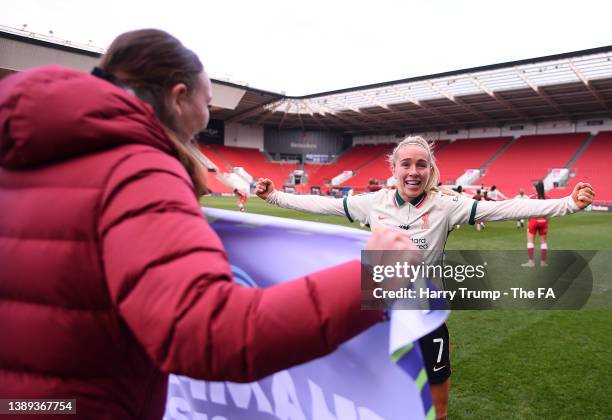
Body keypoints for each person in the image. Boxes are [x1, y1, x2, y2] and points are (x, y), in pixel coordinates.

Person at [0, 29, 417, 420]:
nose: (206, 116)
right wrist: (373, 277)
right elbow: (213, 333)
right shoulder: (135, 170)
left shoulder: (19, 151)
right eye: (208, 101)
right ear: (179, 96)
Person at [256, 135, 595, 420]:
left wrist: (568, 204)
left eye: (422, 164)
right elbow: (319, 207)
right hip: (378, 318)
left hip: (427, 318)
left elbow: (504, 209)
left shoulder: (447, 206)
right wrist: (272, 195)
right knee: (373, 401)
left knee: (438, 409)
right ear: (394, 169)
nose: (414, 171)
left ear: (431, 170)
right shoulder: (373, 204)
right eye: (406, 164)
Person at [522, 181, 550, 267]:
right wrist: (546, 221)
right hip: (543, 222)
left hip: (533, 221)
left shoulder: (532, 198)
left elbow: (528, 211)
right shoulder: (548, 198)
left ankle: (531, 262)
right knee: (543, 242)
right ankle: (543, 262)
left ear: (536, 188)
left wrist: (528, 221)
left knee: (530, 241)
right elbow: (549, 212)